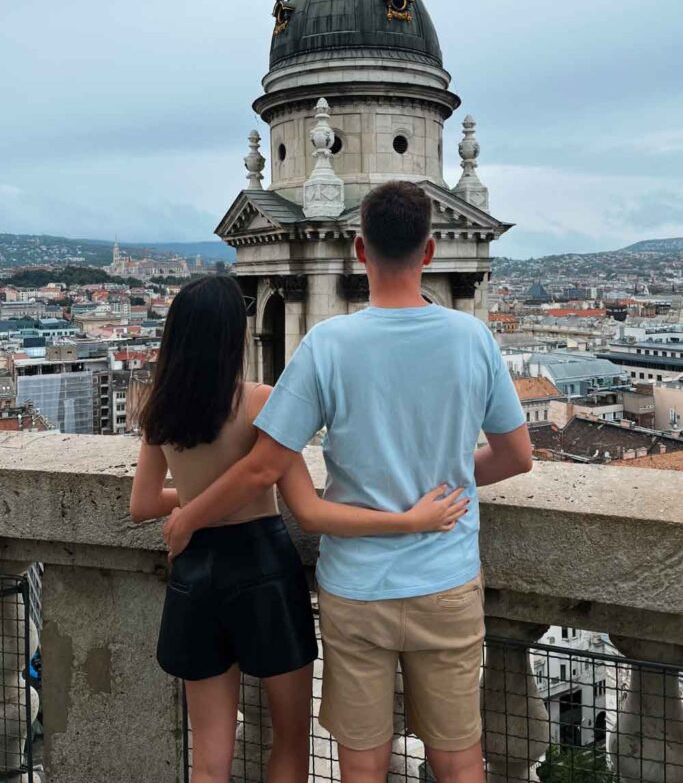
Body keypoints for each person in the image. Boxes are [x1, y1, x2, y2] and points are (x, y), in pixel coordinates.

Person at [164, 182, 533, 783]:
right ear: (431, 251)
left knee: (361, 765)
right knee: (461, 760)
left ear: (360, 251)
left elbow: (262, 467)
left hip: (357, 588)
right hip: (446, 579)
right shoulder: (474, 339)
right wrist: (448, 479)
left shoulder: (326, 344)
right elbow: (518, 456)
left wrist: (188, 516)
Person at [130, 274, 469, 783]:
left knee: (209, 760)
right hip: (262, 571)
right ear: (234, 337)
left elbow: (143, 504)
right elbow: (306, 507)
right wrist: (410, 520)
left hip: (195, 573)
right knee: (289, 741)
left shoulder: (159, 411)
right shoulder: (261, 402)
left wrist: (196, 500)